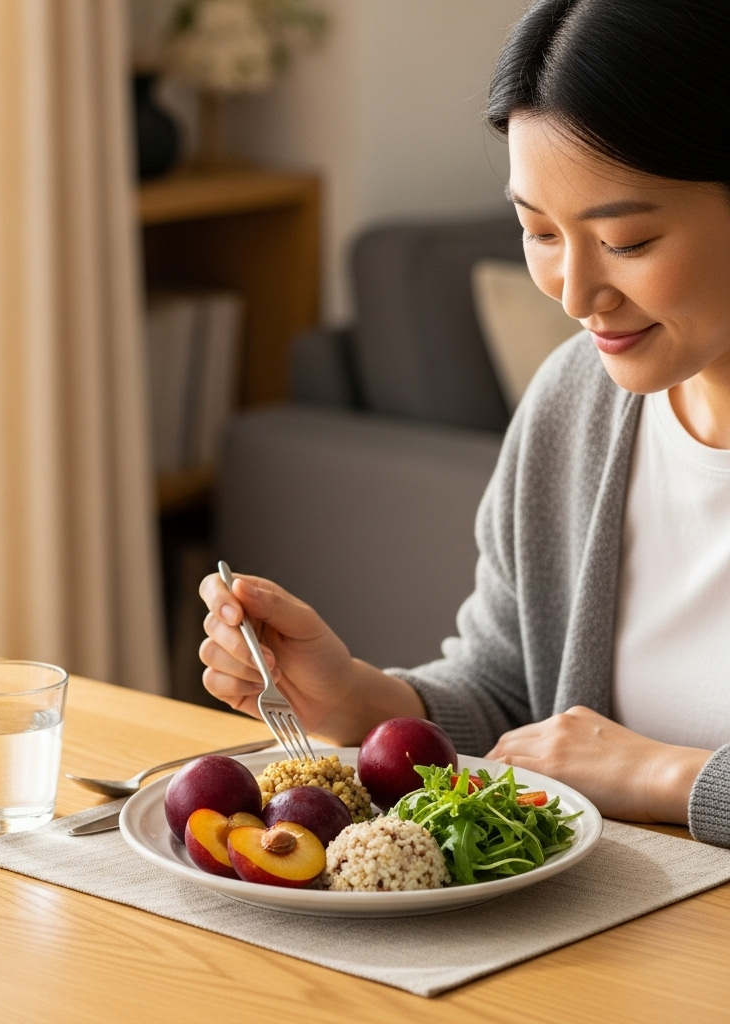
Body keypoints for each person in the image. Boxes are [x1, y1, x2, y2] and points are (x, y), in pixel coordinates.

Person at [197, 0, 730, 847]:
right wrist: (358, 701)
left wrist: (665, 773)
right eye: (539, 231)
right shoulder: (574, 405)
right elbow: (514, 700)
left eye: (626, 241)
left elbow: (593, 760)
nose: (574, 293)